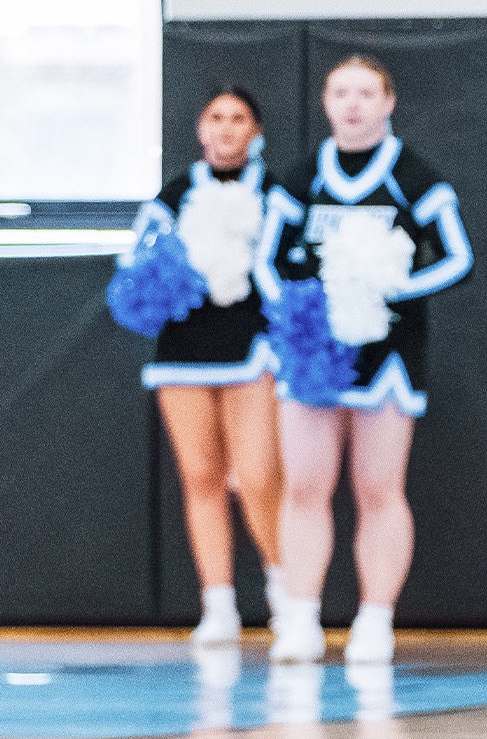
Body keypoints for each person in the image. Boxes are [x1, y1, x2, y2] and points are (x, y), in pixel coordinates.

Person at [258, 55, 472, 664]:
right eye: (340, 92)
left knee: (378, 488)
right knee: (304, 486)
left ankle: (375, 621)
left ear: (388, 101)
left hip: (389, 352)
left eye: (365, 93)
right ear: (325, 103)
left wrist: (382, 290)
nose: (352, 105)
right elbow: (265, 265)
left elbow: (458, 258)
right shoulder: (301, 177)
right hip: (314, 353)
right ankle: (299, 620)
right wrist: (307, 311)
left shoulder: (413, 175)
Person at [123, 87, 285, 646]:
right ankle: (217, 606)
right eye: (215, 118)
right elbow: (135, 271)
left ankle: (286, 595)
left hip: (253, 347)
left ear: (255, 131)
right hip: (183, 352)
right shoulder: (171, 196)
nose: (226, 128)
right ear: (200, 128)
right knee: (202, 478)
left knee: (260, 477)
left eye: (239, 118)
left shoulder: (277, 192)